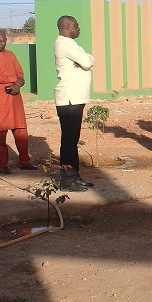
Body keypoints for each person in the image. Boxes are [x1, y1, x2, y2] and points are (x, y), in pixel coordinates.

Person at [0, 29, 38, 174]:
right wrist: (13, 79)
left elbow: (20, 73)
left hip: (15, 97)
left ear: (6, 40)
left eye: (1, 40)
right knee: (1, 132)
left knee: (21, 130)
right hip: (1, 99)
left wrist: (17, 85)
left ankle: (25, 161)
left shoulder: (10, 54)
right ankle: (2, 164)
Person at [54, 16, 95, 192]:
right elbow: (87, 61)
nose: (79, 29)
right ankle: (67, 180)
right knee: (69, 140)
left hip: (76, 98)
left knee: (73, 140)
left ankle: (75, 176)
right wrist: (85, 61)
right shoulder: (63, 44)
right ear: (67, 26)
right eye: (77, 26)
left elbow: (87, 61)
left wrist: (85, 61)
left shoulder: (71, 44)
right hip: (69, 98)